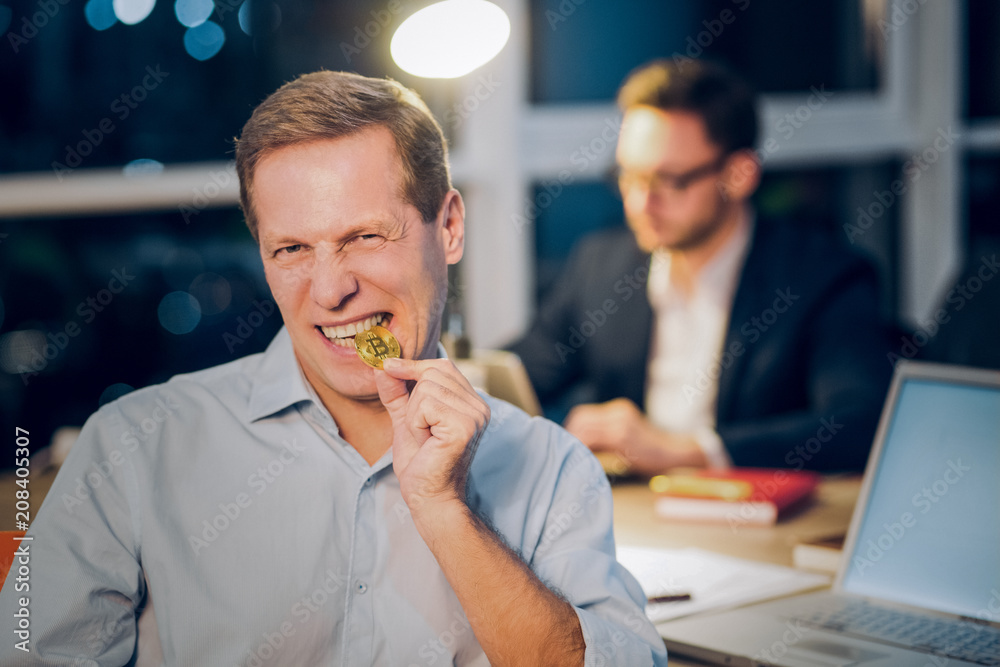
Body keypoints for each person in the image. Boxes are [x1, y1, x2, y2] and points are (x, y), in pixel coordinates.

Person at [0, 72, 667, 665]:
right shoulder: (132, 444)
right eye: (291, 248)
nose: (328, 291)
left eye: (365, 237)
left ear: (451, 226)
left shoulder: (552, 469)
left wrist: (446, 511)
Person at [508, 59, 891, 475]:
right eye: (629, 176)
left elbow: (859, 425)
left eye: (670, 181)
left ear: (739, 175)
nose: (640, 204)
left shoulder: (821, 277)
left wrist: (688, 453)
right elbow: (519, 376)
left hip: (753, 524)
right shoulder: (601, 264)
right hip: (633, 521)